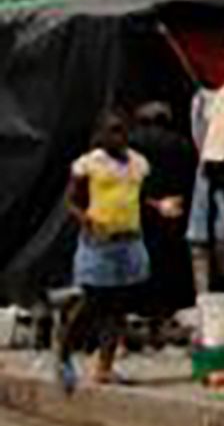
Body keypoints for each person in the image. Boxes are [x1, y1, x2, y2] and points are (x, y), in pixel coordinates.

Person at [54, 116, 154, 392]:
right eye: (111, 132)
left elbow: (138, 197)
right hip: (99, 241)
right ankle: (63, 351)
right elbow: (71, 200)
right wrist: (86, 219)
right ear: (101, 136)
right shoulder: (89, 165)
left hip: (129, 239)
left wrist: (159, 206)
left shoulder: (138, 164)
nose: (117, 138)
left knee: (118, 305)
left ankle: (105, 366)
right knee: (93, 300)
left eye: (121, 131)